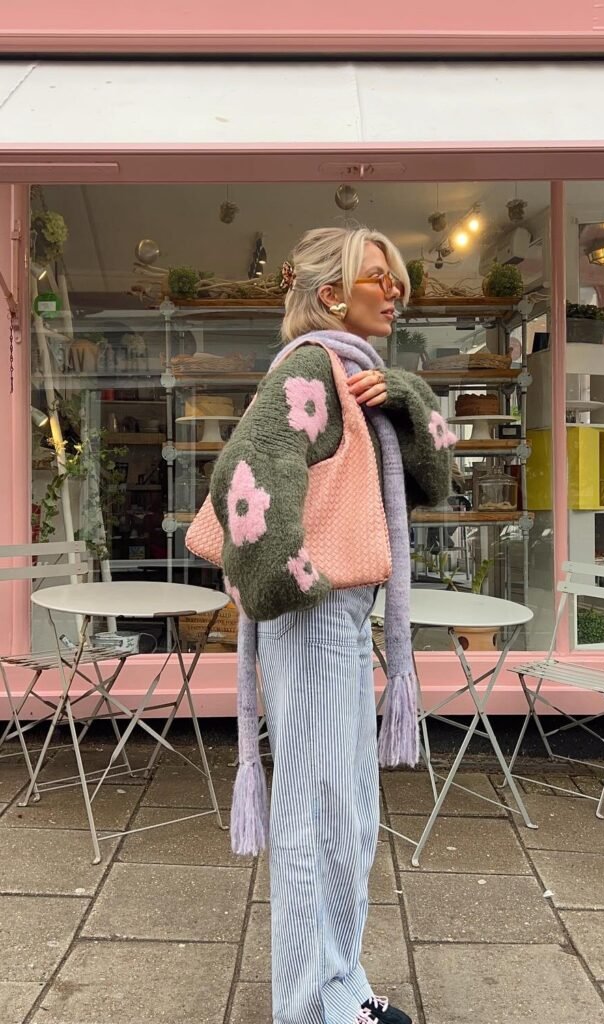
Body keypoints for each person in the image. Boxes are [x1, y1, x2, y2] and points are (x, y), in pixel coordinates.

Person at [210, 226, 454, 1024]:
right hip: (313, 616)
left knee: (345, 814)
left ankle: (340, 984)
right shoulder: (311, 367)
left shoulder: (355, 377)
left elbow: (435, 476)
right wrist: (289, 578)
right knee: (315, 817)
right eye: (378, 277)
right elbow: (246, 468)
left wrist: (407, 394)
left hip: (340, 616)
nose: (395, 290)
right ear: (329, 294)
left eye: (395, 278)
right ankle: (310, 1007)